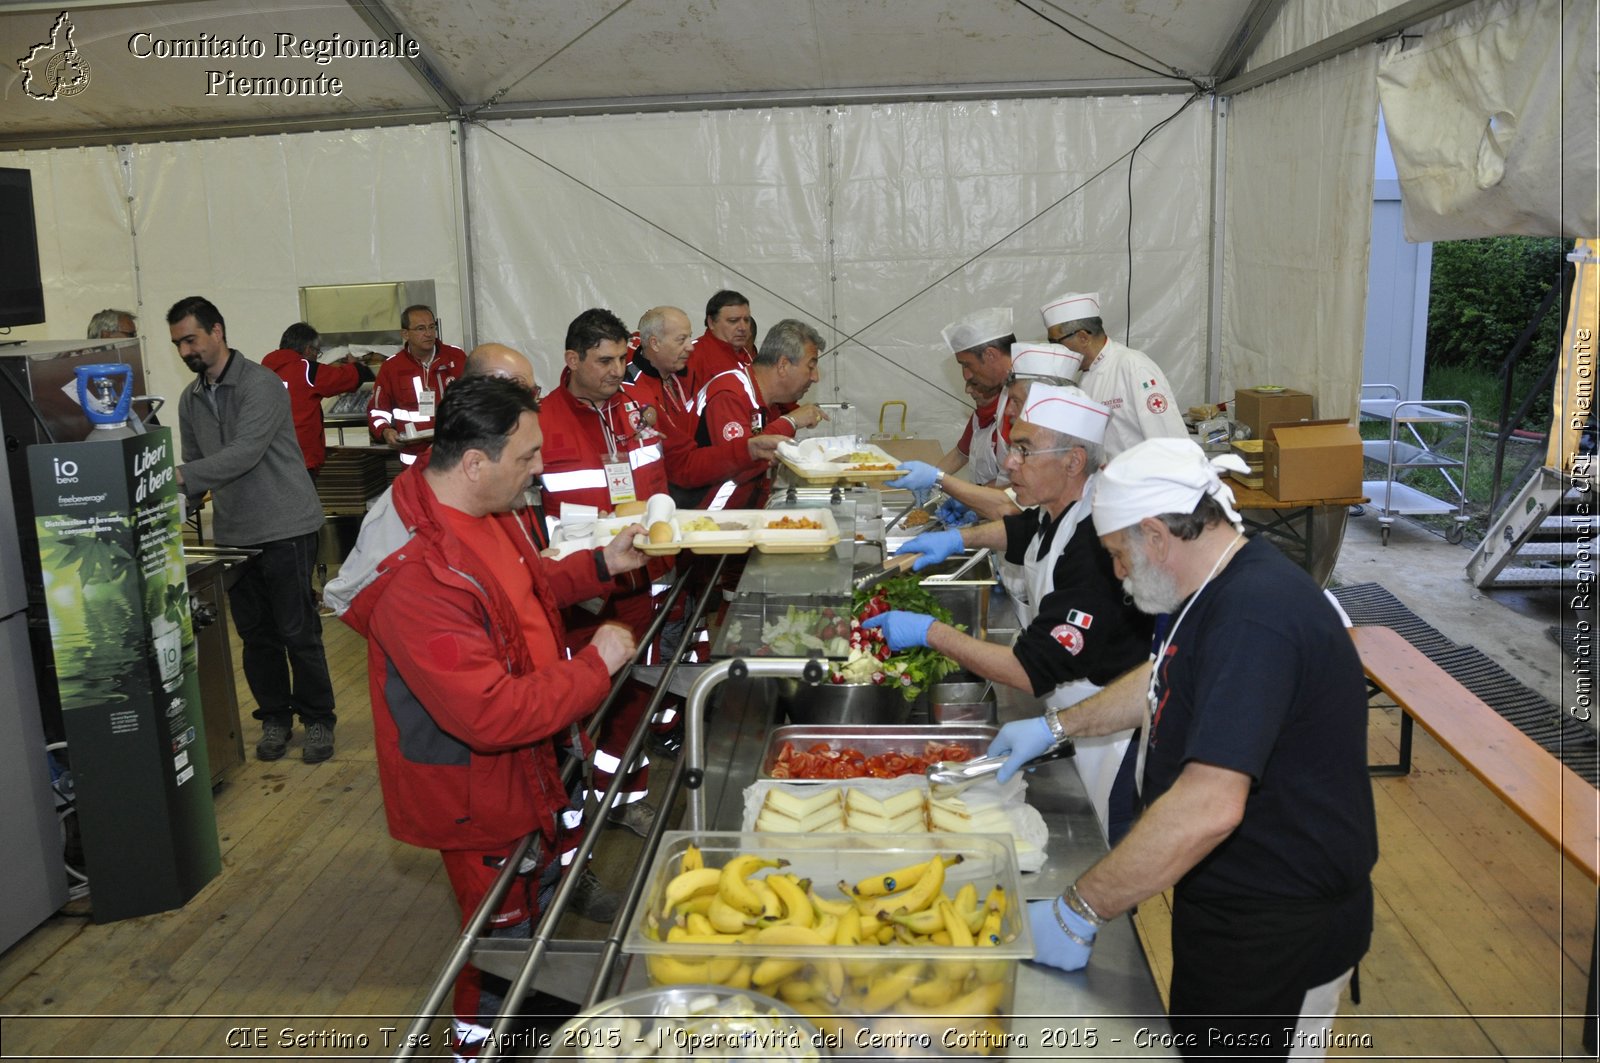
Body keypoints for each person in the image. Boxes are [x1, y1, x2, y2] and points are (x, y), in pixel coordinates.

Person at [991, 436, 1378, 1060]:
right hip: (1227, 901)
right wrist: (1058, 729)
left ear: (1156, 534)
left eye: (1118, 555)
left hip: (1279, 925)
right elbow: (1163, 673)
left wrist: (1080, 908)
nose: (1117, 574)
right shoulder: (1215, 585)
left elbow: (1209, 806)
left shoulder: (1257, 617)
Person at [322, 375, 647, 1055]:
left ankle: (540, 1030)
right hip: (481, 790)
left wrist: (601, 564)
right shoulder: (418, 573)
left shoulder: (488, 511)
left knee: (540, 916)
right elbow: (489, 714)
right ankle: (484, 1044)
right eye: (528, 457)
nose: (538, 470)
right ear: (475, 461)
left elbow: (527, 589)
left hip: (539, 757)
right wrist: (597, 664)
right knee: (499, 940)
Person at [866, 384, 1150, 837]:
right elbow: (1022, 531)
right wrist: (960, 540)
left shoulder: (1097, 543)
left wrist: (930, 632)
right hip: (1070, 704)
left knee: (1105, 844)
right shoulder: (1061, 506)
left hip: (1111, 728)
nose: (1008, 462)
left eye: (1024, 450)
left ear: (1073, 461)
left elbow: (1026, 671)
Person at [168, 296, 336, 763]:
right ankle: (276, 718)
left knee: (297, 630)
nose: (185, 352)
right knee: (257, 635)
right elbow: (201, 468)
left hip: (285, 525)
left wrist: (172, 474)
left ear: (217, 332)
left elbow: (243, 454)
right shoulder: (191, 400)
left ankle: (319, 718)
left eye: (191, 339)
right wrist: (170, 507)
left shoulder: (261, 384)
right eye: (178, 344)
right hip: (235, 534)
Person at [539, 308, 671, 837]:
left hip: (638, 582)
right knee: (581, 703)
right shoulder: (540, 423)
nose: (618, 370)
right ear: (572, 360)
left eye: (622, 358)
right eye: (604, 360)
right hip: (577, 595)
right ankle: (577, 809)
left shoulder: (636, 412)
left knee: (635, 695)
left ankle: (626, 797)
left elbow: (659, 487)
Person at [621, 305, 783, 509]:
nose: (690, 346)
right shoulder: (634, 393)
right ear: (655, 343)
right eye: (682, 340)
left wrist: (747, 450)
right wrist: (748, 449)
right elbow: (681, 462)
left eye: (689, 337)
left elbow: (685, 455)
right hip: (651, 503)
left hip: (677, 492)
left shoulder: (679, 375)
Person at [695, 318, 828, 509]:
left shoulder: (769, 400)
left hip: (746, 515)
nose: (815, 377)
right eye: (811, 366)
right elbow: (739, 468)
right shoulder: (730, 394)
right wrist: (790, 421)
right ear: (783, 365)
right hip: (711, 522)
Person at [1040, 291, 1186, 458]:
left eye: (1056, 342)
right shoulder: (1083, 376)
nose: (1054, 350)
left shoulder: (1133, 367)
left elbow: (1169, 440)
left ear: (1082, 337)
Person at [262, 322, 374, 477]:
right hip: (301, 457)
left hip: (271, 457)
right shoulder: (307, 369)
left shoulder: (265, 369)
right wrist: (358, 367)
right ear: (308, 349)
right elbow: (344, 378)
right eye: (317, 352)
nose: (317, 357)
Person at [368, 304, 467, 466]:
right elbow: (377, 410)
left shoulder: (456, 357)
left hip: (456, 452)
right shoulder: (392, 367)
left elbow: (476, 398)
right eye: (421, 328)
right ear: (405, 334)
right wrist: (386, 431)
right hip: (414, 461)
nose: (429, 334)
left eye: (431, 327)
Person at [686, 289, 755, 396]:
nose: (743, 327)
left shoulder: (747, 353)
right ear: (711, 322)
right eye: (733, 320)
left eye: (746, 320)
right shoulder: (692, 354)